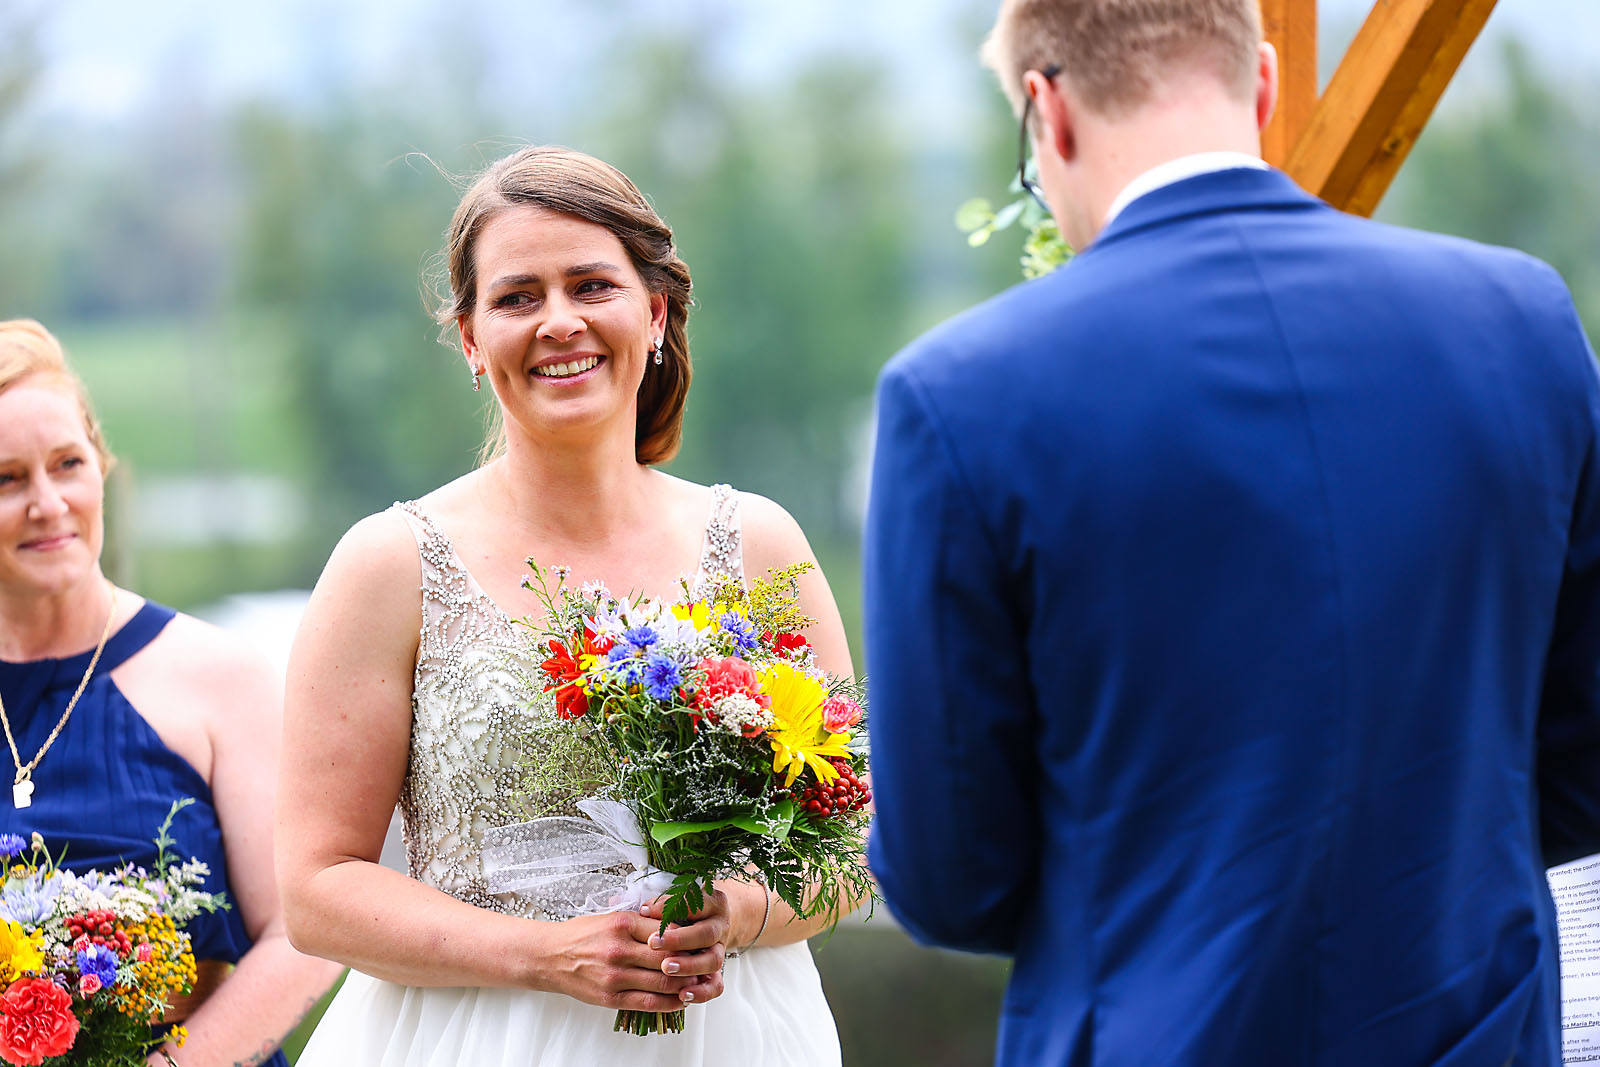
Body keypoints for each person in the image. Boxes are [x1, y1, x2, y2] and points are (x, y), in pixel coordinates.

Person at [863, 1, 1600, 1064]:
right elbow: (1579, 761)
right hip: (1471, 1029)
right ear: (1259, 82)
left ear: (1046, 109)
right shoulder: (1520, 318)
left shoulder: (959, 395)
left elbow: (949, 876)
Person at [278, 145, 855, 1066]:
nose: (559, 322)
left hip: (730, 1034)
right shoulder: (388, 564)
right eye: (516, 297)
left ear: (654, 311)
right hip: (474, 1036)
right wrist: (546, 954)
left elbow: (853, 853)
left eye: (592, 284)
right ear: (471, 338)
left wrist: (737, 910)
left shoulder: (761, 546)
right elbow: (317, 890)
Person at [0, 320, 341, 1066]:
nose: (49, 502)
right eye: (8, 479)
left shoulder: (220, 677)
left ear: (103, 467)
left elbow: (305, 937)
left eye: (67, 463)